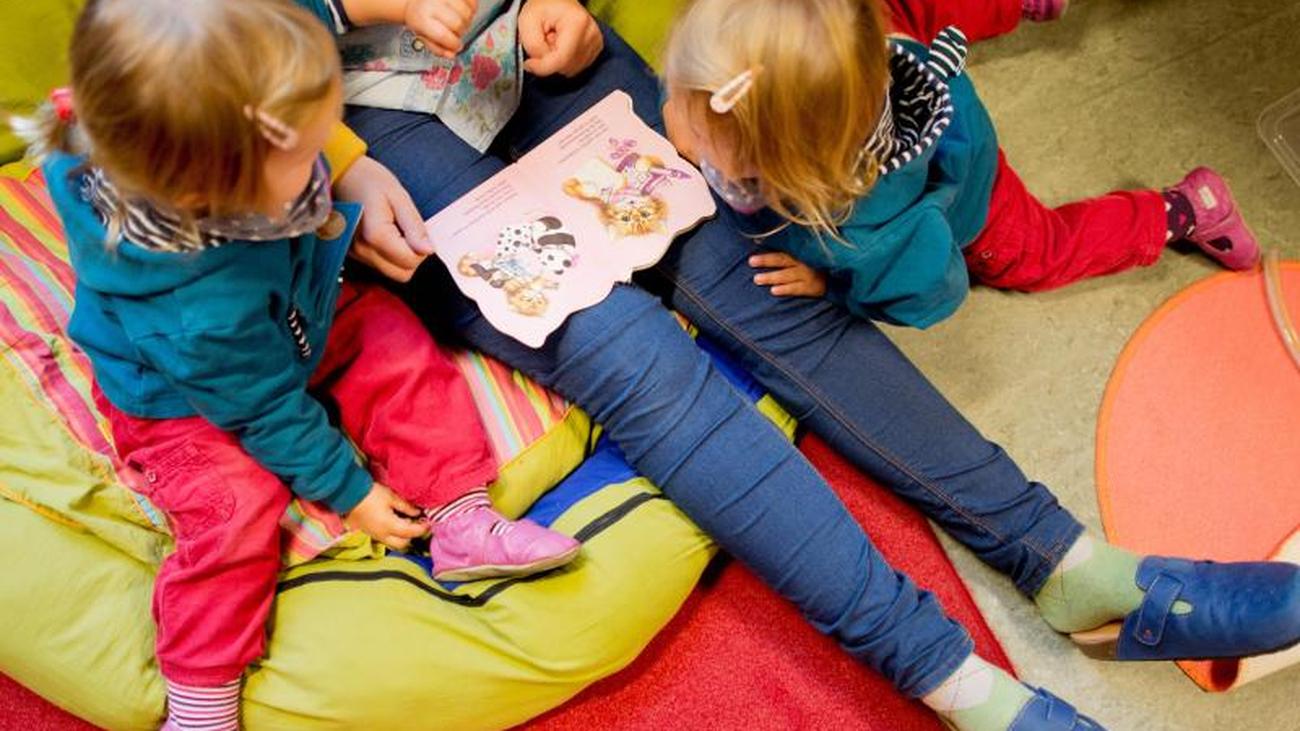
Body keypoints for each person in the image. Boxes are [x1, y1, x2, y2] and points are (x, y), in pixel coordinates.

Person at [297, 0, 1300, 729]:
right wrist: (338, 156)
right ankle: (959, 684)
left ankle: (1072, 565)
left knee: (752, 275)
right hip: (355, 111)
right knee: (632, 358)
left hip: (534, 41)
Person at [30, 1, 579, 728]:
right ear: (209, 195)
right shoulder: (198, 310)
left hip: (295, 301)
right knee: (233, 510)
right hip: (188, 399)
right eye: (306, 150)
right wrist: (349, 491)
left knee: (393, 343)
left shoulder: (205, 134)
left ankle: (460, 516)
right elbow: (263, 410)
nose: (326, 149)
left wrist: (338, 170)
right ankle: (201, 698)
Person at [660, 0, 1259, 329]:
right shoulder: (833, 31)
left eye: (696, 123)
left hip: (970, 188)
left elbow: (933, 294)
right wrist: (698, 112)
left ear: (793, 174)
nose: (676, 119)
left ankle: (1185, 211)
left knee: (1040, 252)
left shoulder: (872, 236)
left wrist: (831, 287)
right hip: (896, 57)